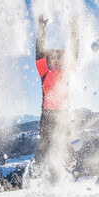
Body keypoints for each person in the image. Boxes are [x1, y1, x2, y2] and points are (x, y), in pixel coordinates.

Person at [31, 14, 79, 176]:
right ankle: (37, 165)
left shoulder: (67, 70)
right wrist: (41, 28)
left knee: (66, 138)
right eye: (53, 59)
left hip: (64, 111)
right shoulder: (44, 71)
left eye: (60, 58)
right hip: (48, 111)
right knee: (46, 140)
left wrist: (74, 28)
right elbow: (39, 51)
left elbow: (75, 50)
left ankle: (70, 161)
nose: (56, 61)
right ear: (48, 61)